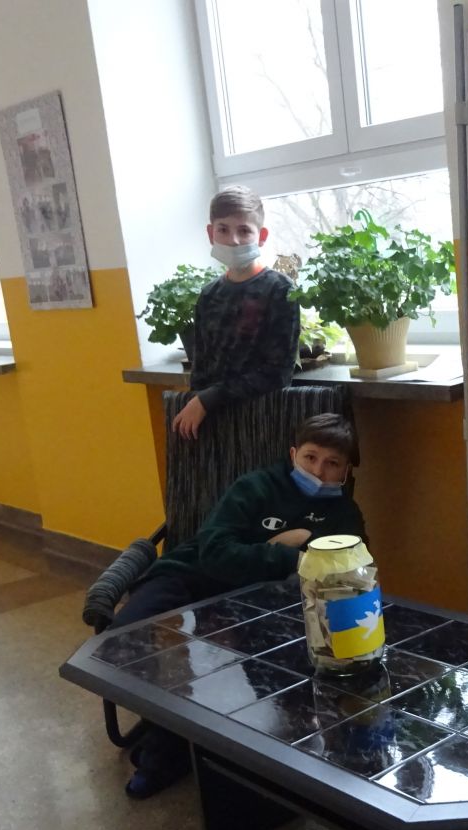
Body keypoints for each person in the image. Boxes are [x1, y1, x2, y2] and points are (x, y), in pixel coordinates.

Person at [109, 413, 367, 798]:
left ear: (346, 471)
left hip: (261, 600)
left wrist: (267, 553)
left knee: (288, 655)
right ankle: (168, 739)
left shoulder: (344, 514)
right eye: (310, 457)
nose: (318, 471)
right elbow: (214, 552)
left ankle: (218, 752)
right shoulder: (255, 487)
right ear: (293, 454)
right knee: (129, 637)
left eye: (332, 463)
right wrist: (290, 553)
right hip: (189, 577)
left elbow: (349, 570)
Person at [171, 185, 300, 441]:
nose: (234, 240)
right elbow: (201, 366)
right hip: (215, 424)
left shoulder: (279, 289)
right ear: (211, 233)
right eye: (223, 230)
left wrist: (208, 399)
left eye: (244, 230)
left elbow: (278, 372)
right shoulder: (209, 295)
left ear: (261, 236)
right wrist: (198, 401)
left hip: (264, 421)